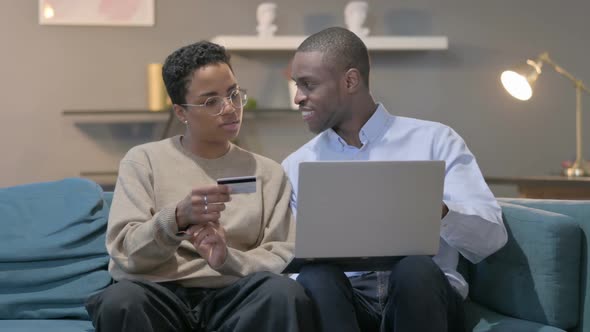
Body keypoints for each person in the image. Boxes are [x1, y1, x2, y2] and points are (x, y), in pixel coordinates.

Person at [282, 27, 508, 332]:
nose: (297, 98)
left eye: (308, 85)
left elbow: (491, 240)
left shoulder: (436, 141)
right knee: (316, 275)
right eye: (297, 85)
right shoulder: (297, 165)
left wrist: (438, 211)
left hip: (427, 297)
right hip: (344, 303)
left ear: (350, 81)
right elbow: (288, 262)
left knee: (415, 267)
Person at [85, 41, 317, 332]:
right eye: (211, 101)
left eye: (233, 94)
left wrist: (226, 258)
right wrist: (176, 219)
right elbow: (125, 253)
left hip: (236, 296)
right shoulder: (143, 161)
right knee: (120, 300)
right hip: (160, 294)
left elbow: (280, 253)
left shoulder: (268, 172)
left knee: (284, 293)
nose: (230, 108)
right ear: (181, 113)